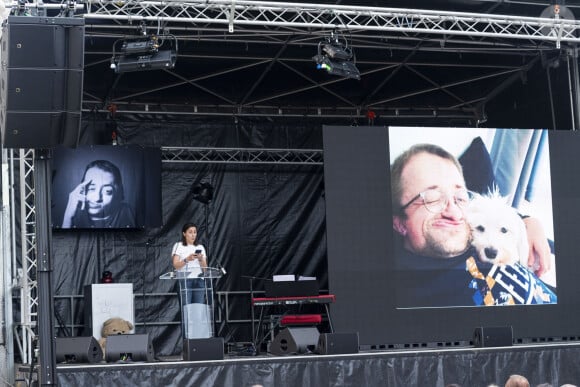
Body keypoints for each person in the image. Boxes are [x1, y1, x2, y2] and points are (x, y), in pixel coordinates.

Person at [391, 143, 555, 307]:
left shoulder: (471, 224)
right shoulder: (409, 294)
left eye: (460, 197)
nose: (455, 213)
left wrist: (527, 221)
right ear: (398, 223)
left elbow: (489, 211)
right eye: (432, 198)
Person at [61, 159, 136, 228]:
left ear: (118, 193)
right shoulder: (74, 214)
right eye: (91, 188)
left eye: (107, 191)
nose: (97, 198)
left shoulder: (130, 214)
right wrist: (67, 218)